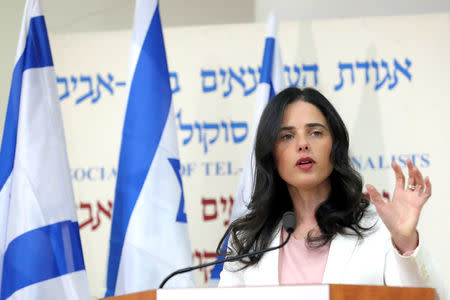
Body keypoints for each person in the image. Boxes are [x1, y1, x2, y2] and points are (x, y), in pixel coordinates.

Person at [217, 87, 446, 299]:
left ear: (335, 147)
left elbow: (429, 298)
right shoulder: (247, 240)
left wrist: (405, 242)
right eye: (287, 136)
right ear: (272, 155)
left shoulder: (377, 229)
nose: (303, 144)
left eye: (315, 132)